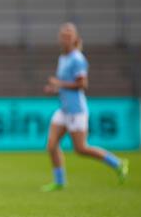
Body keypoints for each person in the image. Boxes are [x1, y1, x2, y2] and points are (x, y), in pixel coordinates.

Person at [42, 22, 129, 192]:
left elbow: (82, 84)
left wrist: (58, 83)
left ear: (75, 38)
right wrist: (54, 88)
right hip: (64, 109)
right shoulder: (63, 58)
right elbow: (67, 84)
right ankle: (60, 181)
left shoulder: (77, 59)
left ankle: (117, 163)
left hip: (76, 110)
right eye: (63, 35)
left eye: (68, 35)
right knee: (51, 145)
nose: (65, 38)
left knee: (81, 149)